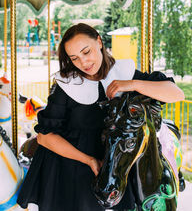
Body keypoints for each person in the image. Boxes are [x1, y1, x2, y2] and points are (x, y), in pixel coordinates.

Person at [17, 23, 184, 211]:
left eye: (86, 52)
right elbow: (45, 137)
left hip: (116, 164)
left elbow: (176, 94)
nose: (83, 62)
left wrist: (133, 84)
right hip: (74, 167)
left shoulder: (124, 73)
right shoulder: (66, 86)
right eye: (75, 58)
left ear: (99, 41)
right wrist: (89, 160)